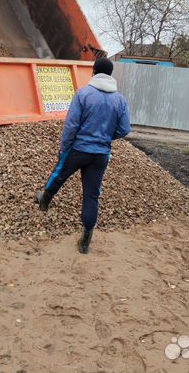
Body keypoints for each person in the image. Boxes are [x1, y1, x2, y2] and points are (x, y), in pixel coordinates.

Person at [35, 57, 131, 253]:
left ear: (94, 72)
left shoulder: (83, 94)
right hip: (100, 155)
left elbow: (71, 125)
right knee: (91, 195)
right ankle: (86, 240)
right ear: (110, 74)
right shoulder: (119, 99)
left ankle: (44, 200)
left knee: (59, 174)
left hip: (78, 150)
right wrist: (105, 138)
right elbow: (124, 129)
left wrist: (64, 148)